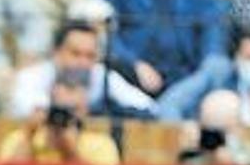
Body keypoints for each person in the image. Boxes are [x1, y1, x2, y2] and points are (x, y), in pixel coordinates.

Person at [98, 0, 232, 120]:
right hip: (135, 80)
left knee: (219, 67)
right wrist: (133, 64)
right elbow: (104, 31)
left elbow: (212, 22)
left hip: (187, 77)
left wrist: (208, 62)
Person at [10, 19, 155, 119]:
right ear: (56, 53)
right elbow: (25, 108)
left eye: (90, 56)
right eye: (75, 54)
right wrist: (63, 106)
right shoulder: (33, 76)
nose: (83, 63)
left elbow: (149, 107)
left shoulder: (101, 76)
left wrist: (97, 111)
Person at [0, 68, 121, 165]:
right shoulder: (21, 138)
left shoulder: (101, 145)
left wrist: (70, 153)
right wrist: (29, 136)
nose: (64, 117)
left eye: (72, 110)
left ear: (84, 110)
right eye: (59, 109)